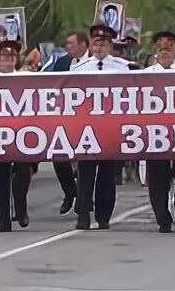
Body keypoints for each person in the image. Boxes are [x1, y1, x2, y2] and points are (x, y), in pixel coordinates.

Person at [71, 24, 130, 229]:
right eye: (96, 43)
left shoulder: (123, 68)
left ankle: (104, 215)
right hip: (87, 129)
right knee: (85, 174)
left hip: (111, 128)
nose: (99, 47)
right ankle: (83, 214)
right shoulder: (79, 68)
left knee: (107, 174)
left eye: (103, 43)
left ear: (110, 45)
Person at [142, 31, 175, 232]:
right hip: (155, 135)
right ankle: (162, 218)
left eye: (170, 45)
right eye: (161, 45)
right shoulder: (144, 75)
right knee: (157, 180)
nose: (165, 49)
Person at [0, 35, 35, 232]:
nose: (8, 59)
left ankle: (20, 208)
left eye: (12, 56)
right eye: (4, 56)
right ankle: (3, 218)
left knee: (22, 173)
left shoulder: (25, 78)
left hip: (22, 133)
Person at [47, 31, 90, 213]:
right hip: (65, 117)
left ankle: (85, 197)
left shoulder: (94, 63)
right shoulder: (63, 62)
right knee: (59, 157)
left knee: (86, 160)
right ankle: (70, 192)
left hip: (89, 118)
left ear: (82, 44)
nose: (68, 47)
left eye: (71, 43)